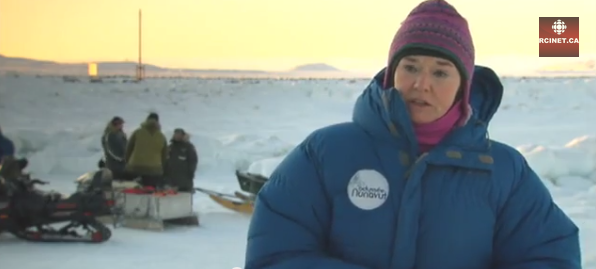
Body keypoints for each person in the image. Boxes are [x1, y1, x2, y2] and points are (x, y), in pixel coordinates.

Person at [244, 1, 581, 269]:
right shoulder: (325, 154)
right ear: (392, 74)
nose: (422, 83)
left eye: (440, 71)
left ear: (463, 85)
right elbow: (275, 255)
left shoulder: (504, 172)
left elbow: (551, 256)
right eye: (411, 67)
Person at [124, 113, 168, 188]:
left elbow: (128, 149)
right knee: (149, 190)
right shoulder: (161, 136)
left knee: (133, 189)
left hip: (135, 167)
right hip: (154, 169)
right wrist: (160, 168)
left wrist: (128, 163)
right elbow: (164, 155)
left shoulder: (137, 132)